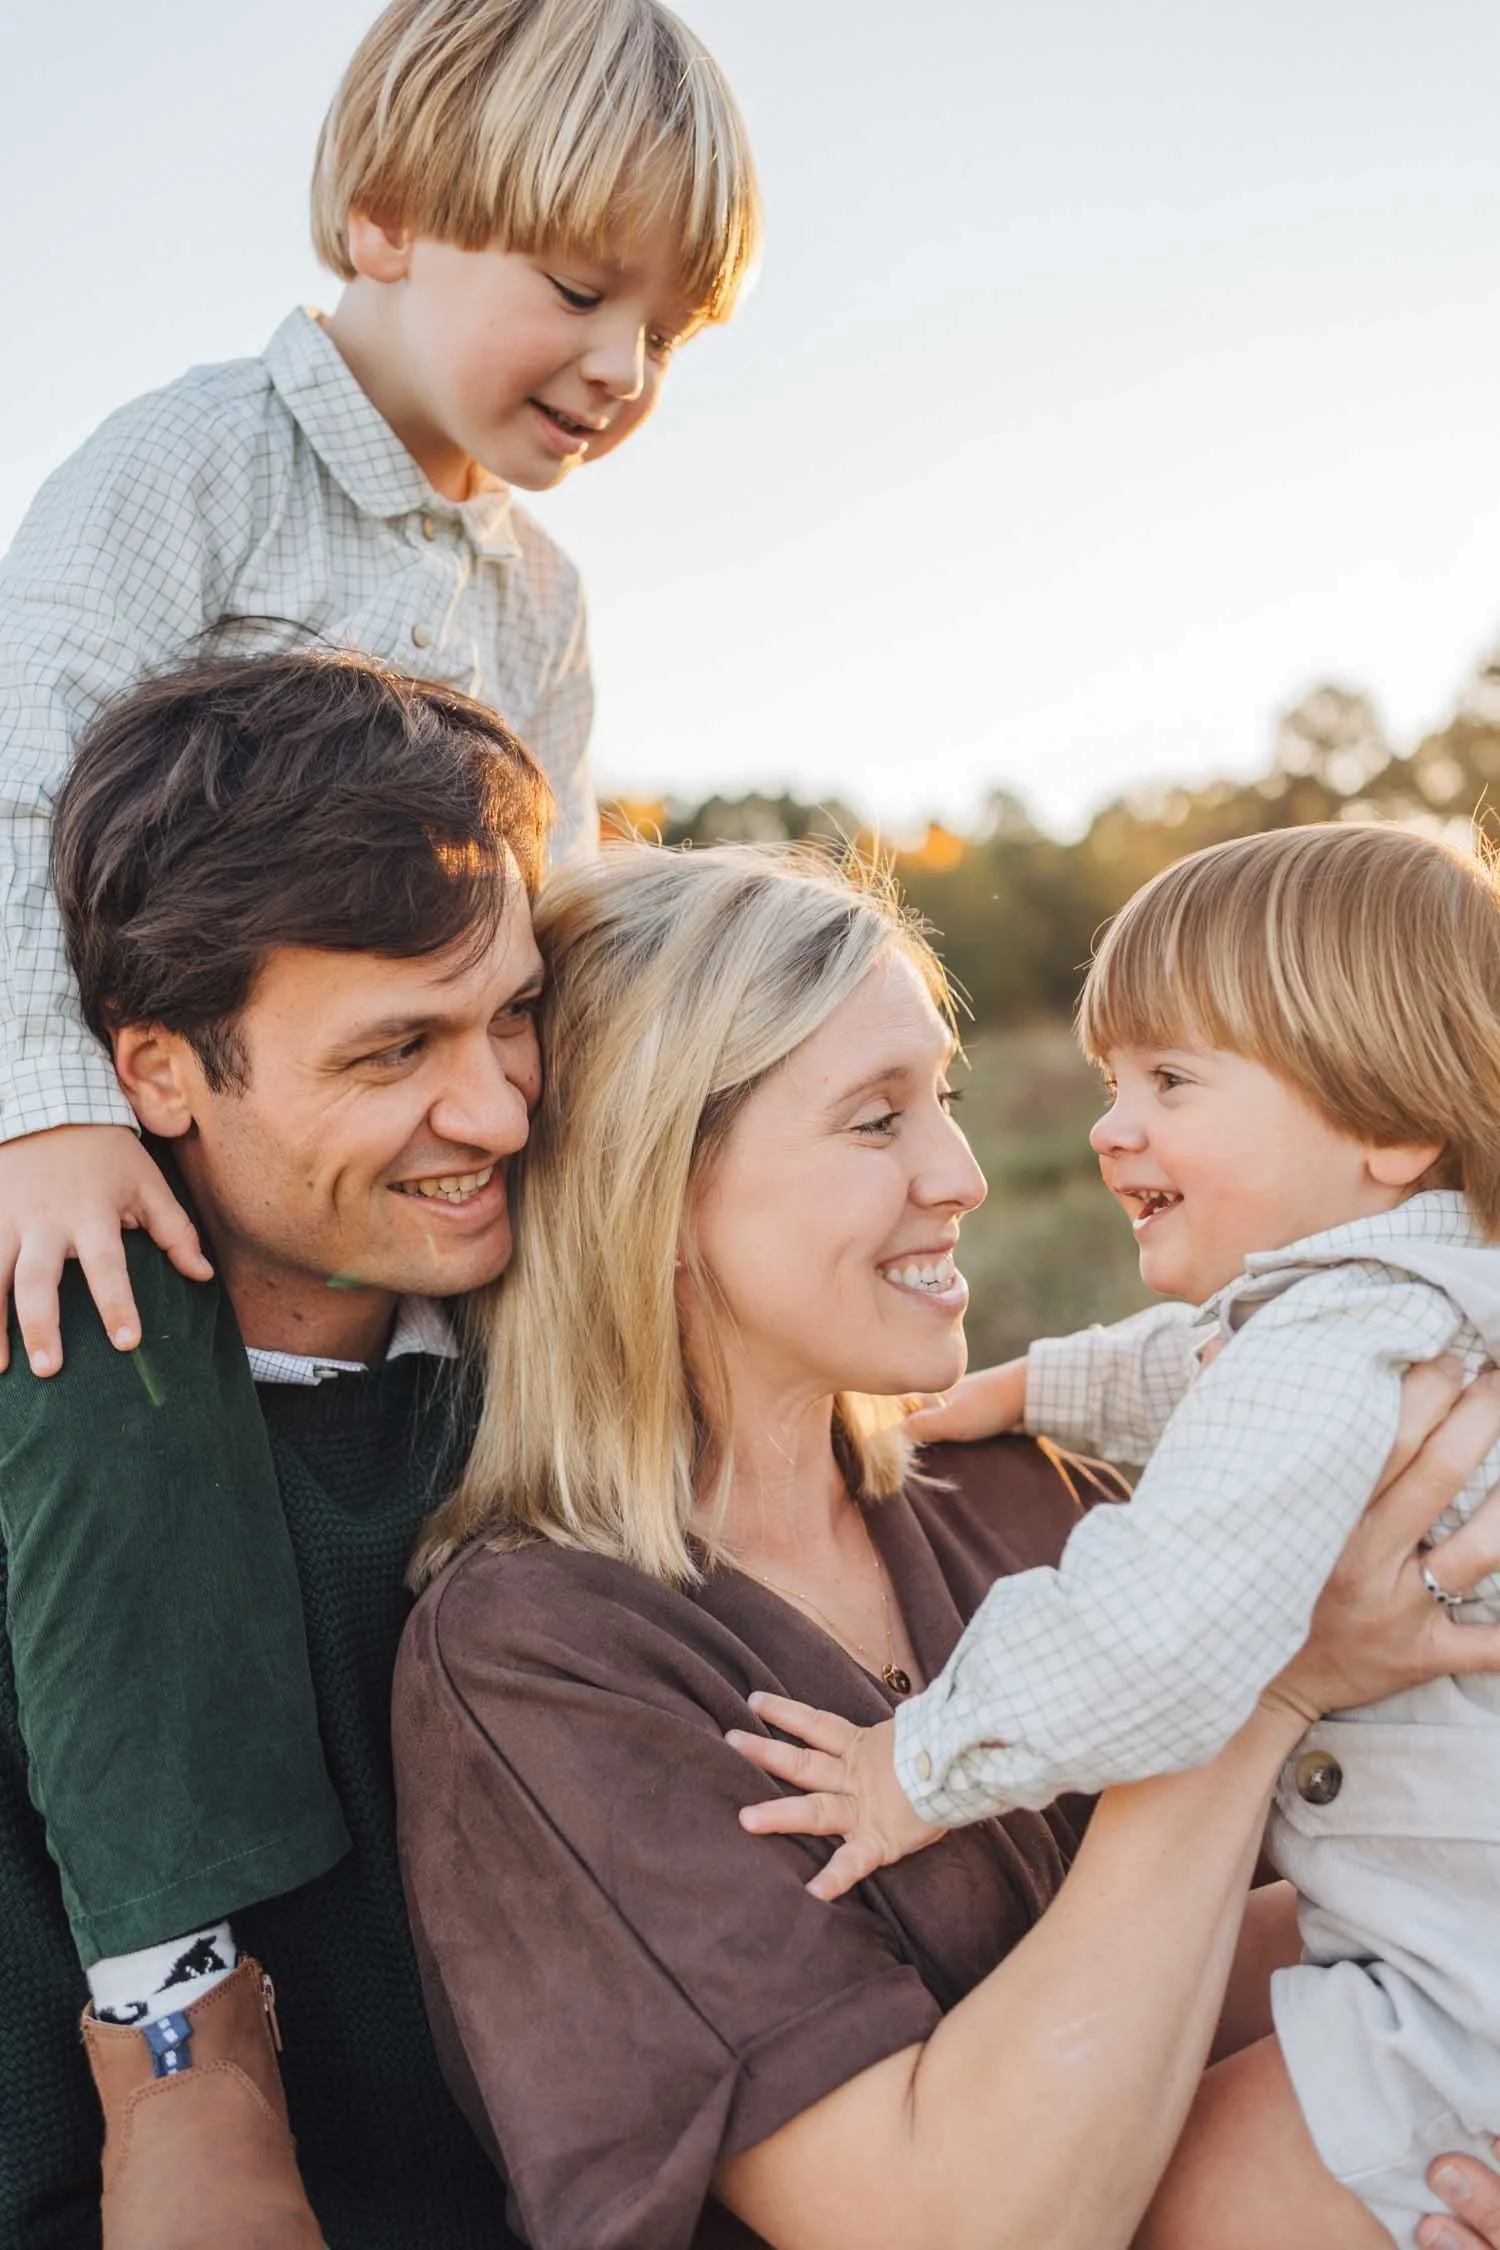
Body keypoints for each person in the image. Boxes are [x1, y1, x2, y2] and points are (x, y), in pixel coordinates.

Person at [392, 839, 1500, 2250]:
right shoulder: (547, 1654)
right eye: (876, 1120)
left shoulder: (1025, 1493)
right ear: (654, 1186)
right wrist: (1269, 1678)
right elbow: (951, 2226)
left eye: (947, 1102)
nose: (967, 1174)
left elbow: (1277, 1929)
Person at [728, 823, 1500, 2249]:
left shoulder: (1334, 1345)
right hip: (1450, 1949)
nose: (1108, 1126)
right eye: (1108, 1081)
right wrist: (1030, 1388)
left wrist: (920, 1762)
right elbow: (1190, 1363)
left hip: (1458, 2011)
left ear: (1391, 1126)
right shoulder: (1406, 1298)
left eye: (1172, 1080)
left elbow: (1156, 1634)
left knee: (1185, 2213)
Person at [0, 0, 759, 1376]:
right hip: (144, 1191)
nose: (621, 370)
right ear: (388, 218)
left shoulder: (541, 595)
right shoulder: (194, 465)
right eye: (585, 293)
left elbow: (556, 909)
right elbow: (17, 782)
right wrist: (48, 1113)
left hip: (397, 1239)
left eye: (668, 334)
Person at [0, 648, 552, 2246]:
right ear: (153, 1066)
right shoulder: (58, 1473)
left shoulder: (574, 1366)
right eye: (394, 1052)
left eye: (511, 1017)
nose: (501, 1112)